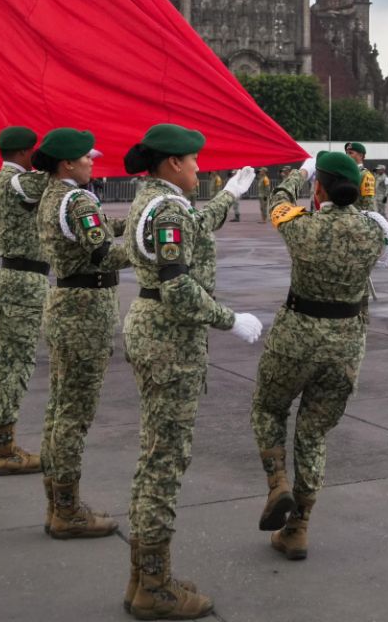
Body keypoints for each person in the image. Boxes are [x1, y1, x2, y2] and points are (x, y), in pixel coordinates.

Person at [122, 124, 261, 620]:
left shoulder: (154, 202)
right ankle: (154, 587)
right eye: (195, 161)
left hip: (154, 332)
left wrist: (226, 197)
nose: (200, 168)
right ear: (173, 164)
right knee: (165, 462)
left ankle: (144, 574)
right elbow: (179, 289)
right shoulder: (166, 209)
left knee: (155, 453)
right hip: (169, 339)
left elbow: (193, 231)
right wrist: (231, 320)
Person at [252, 149, 388, 561]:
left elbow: (276, 200)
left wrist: (300, 173)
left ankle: (277, 482)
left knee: (268, 409)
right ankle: (298, 529)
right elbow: (366, 214)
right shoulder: (373, 233)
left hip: (297, 335)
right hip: (346, 343)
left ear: (319, 187)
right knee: (313, 434)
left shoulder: (301, 226)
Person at [36, 126, 128, 538]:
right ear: (68, 164)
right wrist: (153, 243)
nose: (93, 162)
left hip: (67, 306)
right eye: (87, 157)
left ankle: (57, 500)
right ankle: (68, 511)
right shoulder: (76, 200)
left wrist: (135, 221)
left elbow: (102, 230)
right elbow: (103, 250)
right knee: (75, 411)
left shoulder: (56, 196)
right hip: (84, 312)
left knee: (60, 408)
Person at [0, 127, 50, 474]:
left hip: (10, 277)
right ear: (27, 152)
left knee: (9, 364)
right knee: (16, 366)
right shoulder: (19, 183)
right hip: (24, 282)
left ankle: (3, 442)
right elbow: (57, 181)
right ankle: (3, 449)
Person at [344, 143, 375, 214]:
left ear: (361, 156)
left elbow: (368, 205)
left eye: (350, 153)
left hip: (358, 219)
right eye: (346, 153)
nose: (347, 156)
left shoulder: (365, 175)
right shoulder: (347, 174)